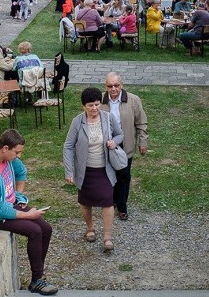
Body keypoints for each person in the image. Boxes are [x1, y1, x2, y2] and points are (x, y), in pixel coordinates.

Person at [0, 128, 58, 295]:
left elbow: (21, 172)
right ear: (5, 148)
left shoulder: (8, 159)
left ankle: (38, 274)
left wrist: (18, 195)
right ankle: (36, 280)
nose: (18, 156)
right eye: (16, 152)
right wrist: (28, 214)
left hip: (10, 204)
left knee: (46, 229)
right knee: (34, 230)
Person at [63, 87, 124, 252]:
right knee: (84, 201)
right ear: (84, 106)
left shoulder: (108, 118)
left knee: (107, 201)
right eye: (90, 105)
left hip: (104, 169)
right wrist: (69, 171)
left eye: (97, 104)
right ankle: (90, 229)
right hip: (85, 170)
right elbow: (68, 146)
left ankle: (107, 237)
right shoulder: (77, 122)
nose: (94, 109)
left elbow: (120, 134)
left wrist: (114, 142)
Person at [100, 73, 148, 221]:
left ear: (122, 84)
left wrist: (143, 141)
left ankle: (122, 206)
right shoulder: (100, 100)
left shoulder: (133, 100)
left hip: (125, 144)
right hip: (107, 145)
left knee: (124, 176)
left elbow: (141, 122)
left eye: (116, 85)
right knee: (108, 175)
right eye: (110, 86)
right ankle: (111, 201)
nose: (113, 89)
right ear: (105, 86)